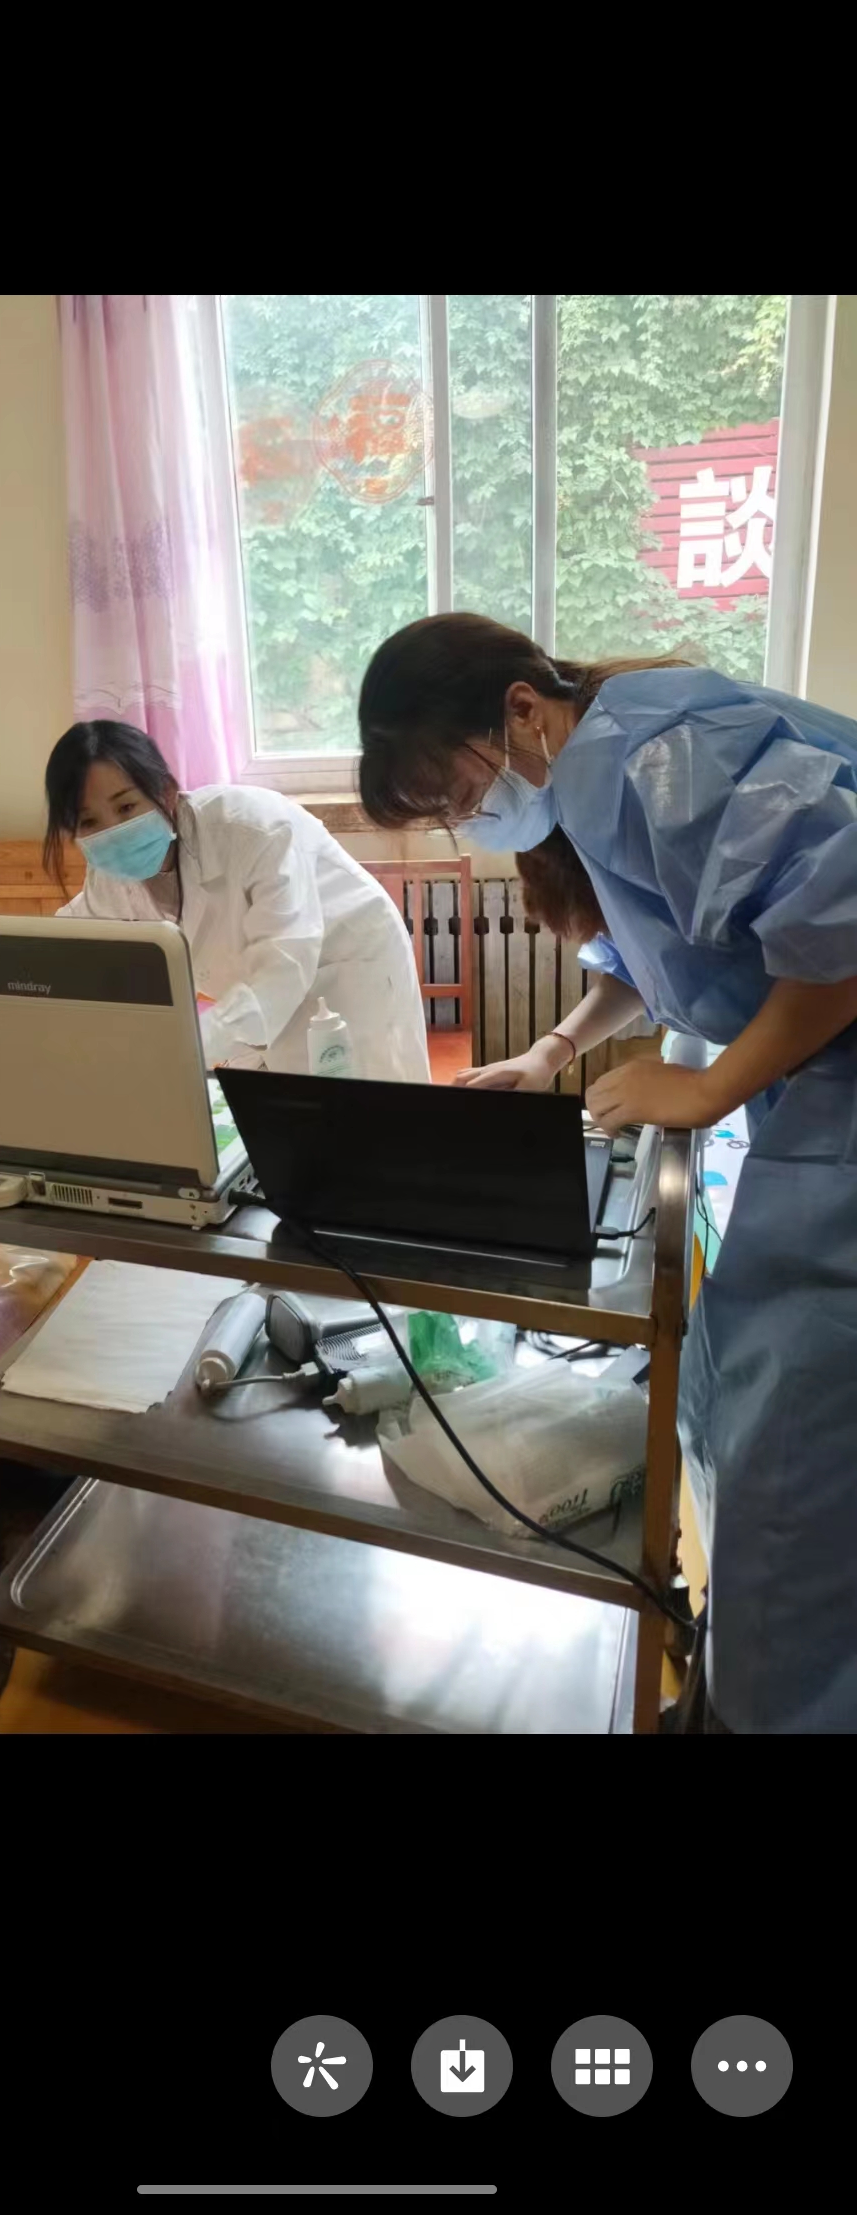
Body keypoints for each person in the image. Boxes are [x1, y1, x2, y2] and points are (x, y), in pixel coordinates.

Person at [358, 612, 857, 1735]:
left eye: (452, 791)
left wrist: (710, 1088)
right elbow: (655, 952)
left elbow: (844, 927)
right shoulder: (610, 771)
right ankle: (742, 1681)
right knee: (745, 1418)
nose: (462, 821)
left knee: (798, 1459)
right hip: (818, 1105)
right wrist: (550, 1051)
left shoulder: (655, 753)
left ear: (520, 711)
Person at [44, 720, 431, 1083]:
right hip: (257, 997)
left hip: (347, 966)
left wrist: (185, 1046)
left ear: (165, 792)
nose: (113, 832)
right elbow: (70, 943)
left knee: (370, 1108)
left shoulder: (254, 830)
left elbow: (283, 966)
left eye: (126, 807)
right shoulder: (109, 873)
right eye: (89, 822)